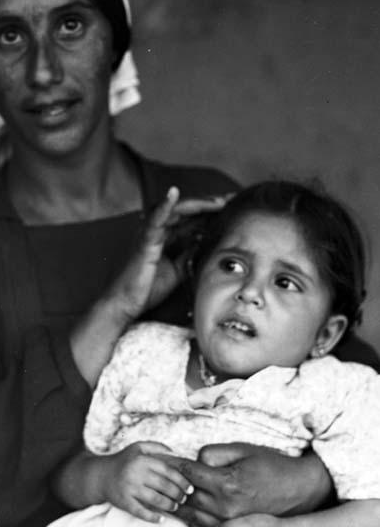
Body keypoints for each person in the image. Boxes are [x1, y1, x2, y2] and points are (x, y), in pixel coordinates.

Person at [0, 0, 378, 527]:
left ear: (114, 42)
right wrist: (118, 303)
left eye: (70, 25)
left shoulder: (208, 207)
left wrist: (305, 482)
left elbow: (352, 383)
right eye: (9, 36)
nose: (44, 70)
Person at [51, 180, 380, 527]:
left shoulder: (339, 390)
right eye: (232, 266)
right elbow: (68, 470)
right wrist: (105, 478)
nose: (249, 292)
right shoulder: (143, 351)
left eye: (285, 282)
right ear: (196, 283)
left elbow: (373, 509)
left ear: (326, 334)